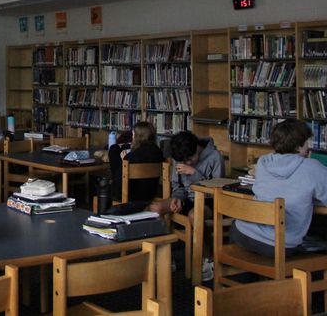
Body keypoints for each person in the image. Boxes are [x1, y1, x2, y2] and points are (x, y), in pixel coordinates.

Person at [232, 119, 327, 257]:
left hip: (242, 232)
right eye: (307, 142)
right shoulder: (312, 167)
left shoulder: (264, 162)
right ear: (299, 146)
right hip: (279, 244)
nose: (308, 147)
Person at [149, 130, 224, 281]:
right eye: (183, 161)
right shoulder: (180, 157)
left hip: (208, 200)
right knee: (155, 208)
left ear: (197, 148)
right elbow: (178, 186)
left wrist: (194, 173)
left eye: (190, 159)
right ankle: (165, 257)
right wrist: (177, 198)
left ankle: (208, 259)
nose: (187, 163)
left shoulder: (215, 157)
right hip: (186, 197)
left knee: (195, 215)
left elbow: (218, 189)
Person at [109, 122, 163, 202]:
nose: (132, 137)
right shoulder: (158, 153)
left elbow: (119, 182)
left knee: (114, 150)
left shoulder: (131, 157)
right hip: (150, 194)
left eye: (133, 135)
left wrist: (123, 161)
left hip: (130, 196)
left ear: (138, 136)